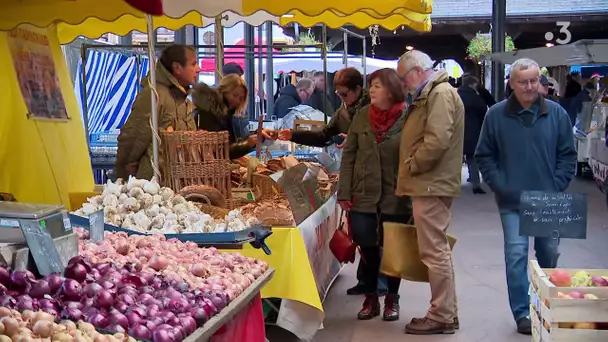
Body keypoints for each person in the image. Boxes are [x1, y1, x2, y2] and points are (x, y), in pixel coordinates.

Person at [475, 58, 577, 335]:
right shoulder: (496, 115)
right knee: (516, 254)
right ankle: (522, 312)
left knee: (548, 253)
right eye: (524, 81)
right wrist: (501, 185)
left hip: (547, 200)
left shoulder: (556, 114)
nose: (530, 86)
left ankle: (543, 301)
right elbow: (484, 155)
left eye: (534, 80)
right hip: (512, 201)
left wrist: (556, 185)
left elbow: (568, 156)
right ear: (512, 83)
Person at [277, 67, 387, 296]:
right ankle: (366, 281)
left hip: (374, 177)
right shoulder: (344, 110)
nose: (341, 98)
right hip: (353, 175)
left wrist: (356, 140)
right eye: (338, 94)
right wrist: (293, 134)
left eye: (345, 94)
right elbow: (324, 135)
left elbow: (384, 142)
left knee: (374, 232)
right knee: (361, 230)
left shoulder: (373, 109)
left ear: (358, 89)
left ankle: (381, 283)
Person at [396, 50, 464, 335]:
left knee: (434, 250)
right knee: (436, 249)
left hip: (430, 182)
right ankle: (446, 311)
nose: (403, 85)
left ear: (415, 71)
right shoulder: (436, 92)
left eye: (403, 79)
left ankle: (442, 314)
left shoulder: (439, 94)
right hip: (430, 181)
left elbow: (437, 140)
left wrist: (414, 164)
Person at [337, 68, 412, 322]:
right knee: (367, 248)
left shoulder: (408, 117)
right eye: (371, 86)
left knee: (394, 249)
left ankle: (392, 297)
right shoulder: (361, 117)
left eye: (377, 86)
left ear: (391, 89)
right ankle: (371, 296)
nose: (372, 90)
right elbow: (349, 157)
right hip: (363, 194)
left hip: (397, 194)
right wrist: (344, 192)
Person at [115, 44, 200, 180]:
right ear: (177, 67)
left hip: (176, 181)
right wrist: (123, 173)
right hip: (155, 184)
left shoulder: (181, 98)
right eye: (193, 64)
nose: (198, 69)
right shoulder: (154, 94)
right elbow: (133, 136)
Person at [193, 74, 274, 159]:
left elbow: (232, 143)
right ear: (224, 91)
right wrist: (246, 144)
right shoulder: (209, 113)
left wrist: (257, 135)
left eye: (240, 98)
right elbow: (220, 151)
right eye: (234, 95)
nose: (237, 101)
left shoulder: (226, 114)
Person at [457, 75, 487, 194]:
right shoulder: (475, 97)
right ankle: (476, 184)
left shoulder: (456, 95)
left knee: (455, 160)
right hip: (473, 130)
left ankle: (452, 184)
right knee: (472, 158)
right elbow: (483, 110)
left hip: (457, 131)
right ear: (472, 84)